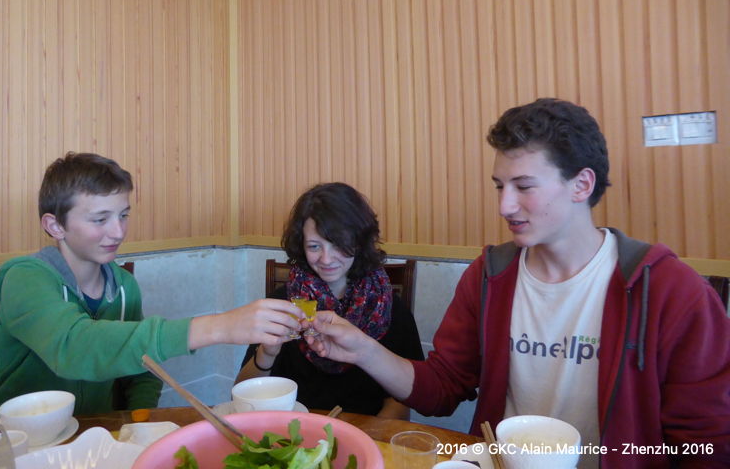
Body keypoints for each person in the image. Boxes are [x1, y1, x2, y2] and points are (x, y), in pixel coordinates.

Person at [307, 99, 730, 468]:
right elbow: (443, 388)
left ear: (582, 184)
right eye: (500, 187)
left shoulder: (669, 290)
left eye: (524, 186)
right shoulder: (491, 276)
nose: (505, 205)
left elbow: (707, 444)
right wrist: (364, 350)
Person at [0, 152, 301, 423]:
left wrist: (139, 420)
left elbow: (143, 368)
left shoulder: (124, 287)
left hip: (93, 438)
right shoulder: (25, 277)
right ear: (55, 225)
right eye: (100, 219)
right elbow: (74, 347)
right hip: (13, 442)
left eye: (123, 215)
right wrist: (219, 327)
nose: (118, 231)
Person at [236, 182, 423, 418]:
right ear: (301, 246)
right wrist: (267, 353)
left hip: (367, 432)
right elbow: (242, 395)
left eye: (339, 245)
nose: (326, 259)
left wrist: (365, 438)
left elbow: (401, 402)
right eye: (314, 246)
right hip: (294, 431)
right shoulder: (283, 304)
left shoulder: (388, 308)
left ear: (359, 242)